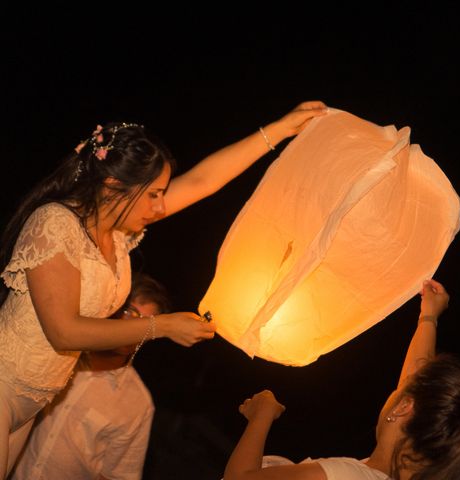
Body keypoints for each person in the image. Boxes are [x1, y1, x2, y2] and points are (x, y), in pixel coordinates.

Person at [0, 101, 328, 478]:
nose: (160, 206)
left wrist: (279, 129)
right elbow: (64, 329)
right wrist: (164, 327)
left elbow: (204, 180)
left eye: (162, 193)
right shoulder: (55, 224)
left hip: (33, 400)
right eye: (153, 194)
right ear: (113, 187)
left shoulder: (118, 234)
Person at [224, 279, 460, 480]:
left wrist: (262, 415)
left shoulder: (347, 476)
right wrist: (429, 317)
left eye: (400, 393)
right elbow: (416, 379)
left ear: (403, 408)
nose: (400, 387)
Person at [10, 272, 171, 480]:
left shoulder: (137, 404)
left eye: (145, 322)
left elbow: (118, 476)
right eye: (129, 312)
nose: (133, 325)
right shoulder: (61, 353)